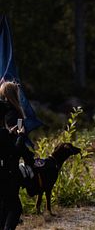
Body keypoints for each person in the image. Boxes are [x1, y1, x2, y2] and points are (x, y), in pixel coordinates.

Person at [0, 89, 33, 230]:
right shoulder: (2, 132)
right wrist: (20, 135)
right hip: (6, 173)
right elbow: (13, 151)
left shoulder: (3, 132)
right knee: (15, 208)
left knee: (4, 208)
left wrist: (10, 133)